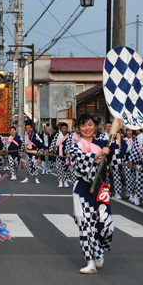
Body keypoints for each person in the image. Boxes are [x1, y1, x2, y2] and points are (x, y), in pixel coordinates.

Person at [69, 114, 117, 273]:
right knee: (85, 224)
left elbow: (116, 160)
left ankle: (99, 250)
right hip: (83, 188)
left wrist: (116, 137)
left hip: (101, 188)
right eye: (83, 126)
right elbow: (77, 162)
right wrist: (96, 155)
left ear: (95, 126)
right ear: (78, 129)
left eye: (90, 124)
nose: (87, 128)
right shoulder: (76, 145)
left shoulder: (104, 142)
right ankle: (90, 261)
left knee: (105, 224)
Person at [51, 122, 73, 188]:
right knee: (59, 168)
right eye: (63, 128)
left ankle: (65, 181)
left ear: (67, 129)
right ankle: (60, 181)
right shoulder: (57, 135)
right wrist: (51, 150)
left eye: (65, 128)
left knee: (66, 168)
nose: (64, 130)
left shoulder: (69, 135)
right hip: (59, 152)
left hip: (66, 153)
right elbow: (53, 142)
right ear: (61, 129)